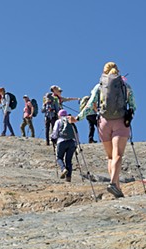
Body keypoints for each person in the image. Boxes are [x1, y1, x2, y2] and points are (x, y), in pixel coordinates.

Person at [68, 61, 137, 198]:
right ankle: (113, 183)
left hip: (103, 123)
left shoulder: (99, 86)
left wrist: (78, 118)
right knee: (118, 155)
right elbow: (133, 105)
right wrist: (130, 115)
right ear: (117, 71)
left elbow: (90, 105)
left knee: (110, 157)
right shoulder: (125, 86)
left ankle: (116, 186)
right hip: (120, 122)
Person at [51, 110, 76, 182]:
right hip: (71, 142)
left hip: (61, 141)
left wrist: (53, 138)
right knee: (68, 160)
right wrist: (76, 143)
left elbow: (55, 131)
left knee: (59, 157)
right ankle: (68, 178)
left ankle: (63, 169)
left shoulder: (58, 121)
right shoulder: (71, 120)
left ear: (59, 115)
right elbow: (75, 132)